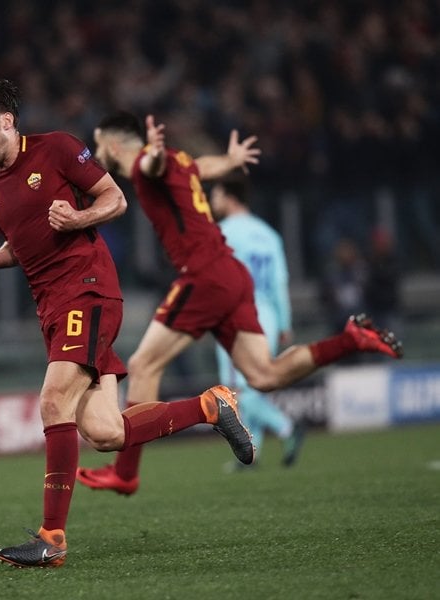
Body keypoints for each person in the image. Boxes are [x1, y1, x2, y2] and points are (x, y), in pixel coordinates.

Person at [0, 77, 254, 569]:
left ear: (6, 121)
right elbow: (26, 242)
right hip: (50, 306)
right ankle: (210, 406)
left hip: (87, 289)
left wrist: (77, 219)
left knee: (54, 402)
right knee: (105, 432)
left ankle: (52, 537)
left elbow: (115, 199)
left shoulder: (57, 149)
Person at [77, 112, 403, 495]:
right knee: (264, 375)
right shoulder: (180, 161)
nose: (98, 153)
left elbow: (153, 165)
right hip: (231, 273)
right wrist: (229, 162)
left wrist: (154, 156)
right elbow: (200, 166)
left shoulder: (150, 163)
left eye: (100, 145)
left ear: (115, 145)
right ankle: (350, 339)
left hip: (204, 275)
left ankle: (126, 472)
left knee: (144, 364)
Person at [208, 172, 304, 467]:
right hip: (269, 316)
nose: (212, 201)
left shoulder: (222, 233)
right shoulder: (269, 234)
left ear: (228, 196)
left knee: (235, 390)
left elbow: (215, 280)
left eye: (216, 194)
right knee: (253, 384)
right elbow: (279, 282)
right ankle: (252, 451)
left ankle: (286, 426)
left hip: (239, 316)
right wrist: (285, 323)